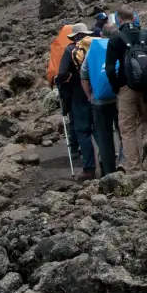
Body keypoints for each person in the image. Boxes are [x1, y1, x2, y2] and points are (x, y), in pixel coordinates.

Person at [105, 8, 147, 174]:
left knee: (127, 130)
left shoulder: (115, 39)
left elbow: (109, 69)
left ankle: (134, 169)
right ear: (134, 18)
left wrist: (117, 87)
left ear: (119, 20)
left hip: (126, 89)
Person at [81, 22, 124, 175]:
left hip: (99, 101)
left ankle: (109, 171)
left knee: (105, 137)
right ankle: (124, 164)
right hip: (120, 98)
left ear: (101, 35)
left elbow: (84, 76)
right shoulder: (121, 46)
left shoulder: (92, 50)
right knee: (125, 132)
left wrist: (89, 96)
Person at [57, 22, 97, 179]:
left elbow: (62, 74)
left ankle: (89, 169)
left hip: (79, 95)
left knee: (83, 131)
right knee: (99, 130)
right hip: (97, 91)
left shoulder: (69, 50)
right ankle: (107, 163)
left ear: (74, 36)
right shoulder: (95, 46)